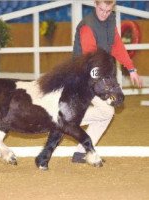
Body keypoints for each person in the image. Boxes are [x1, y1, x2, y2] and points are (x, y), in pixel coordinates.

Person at [72, 0, 142, 163]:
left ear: (112, 9)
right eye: (101, 10)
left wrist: (131, 69)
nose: (104, 14)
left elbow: (117, 46)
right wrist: (106, 86)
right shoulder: (87, 26)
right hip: (83, 76)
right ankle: (65, 123)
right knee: (107, 112)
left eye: (108, 11)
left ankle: (79, 150)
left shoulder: (110, 21)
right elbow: (91, 56)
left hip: (97, 75)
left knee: (107, 113)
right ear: (95, 5)